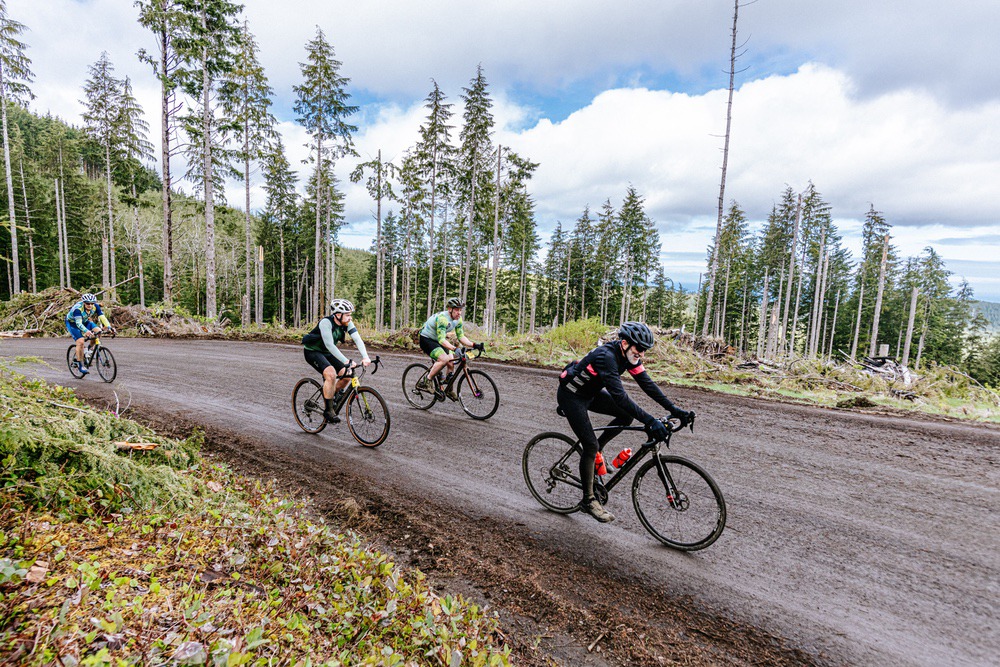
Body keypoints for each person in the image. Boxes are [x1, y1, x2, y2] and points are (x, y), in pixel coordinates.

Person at [558, 321, 694, 523]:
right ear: (624, 343)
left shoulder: (629, 356)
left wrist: (674, 409)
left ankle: (598, 453)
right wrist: (650, 421)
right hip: (572, 397)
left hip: (591, 393)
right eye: (639, 349)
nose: (642, 354)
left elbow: (647, 384)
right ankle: (588, 500)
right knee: (589, 444)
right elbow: (621, 397)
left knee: (625, 416)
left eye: (645, 350)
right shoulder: (607, 358)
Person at [302, 298, 371, 423]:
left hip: (327, 353)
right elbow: (330, 345)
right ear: (338, 315)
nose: (350, 318)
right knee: (331, 374)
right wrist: (345, 360)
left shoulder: (347, 323)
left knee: (347, 375)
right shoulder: (325, 323)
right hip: (313, 351)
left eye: (350, 315)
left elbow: (357, 339)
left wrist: (365, 356)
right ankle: (328, 411)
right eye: (348, 315)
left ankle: (331, 394)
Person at [417, 297, 483, 400]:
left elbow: (461, 337)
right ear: (450, 309)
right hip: (427, 339)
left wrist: (474, 345)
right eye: (457, 310)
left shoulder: (458, 320)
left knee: (451, 363)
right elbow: (441, 340)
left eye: (460, 310)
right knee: (444, 359)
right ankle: (426, 381)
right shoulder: (443, 319)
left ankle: (449, 390)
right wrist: (454, 348)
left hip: (439, 340)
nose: (459, 313)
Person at [65, 293, 112, 376]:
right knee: (81, 342)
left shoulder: (95, 306)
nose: (90, 305)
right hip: (73, 324)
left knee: (98, 331)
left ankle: (88, 351)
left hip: (85, 321)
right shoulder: (78, 309)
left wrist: (109, 327)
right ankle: (80, 365)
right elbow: (78, 324)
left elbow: (102, 317)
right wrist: (86, 331)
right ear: (84, 303)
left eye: (92, 303)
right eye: (87, 303)